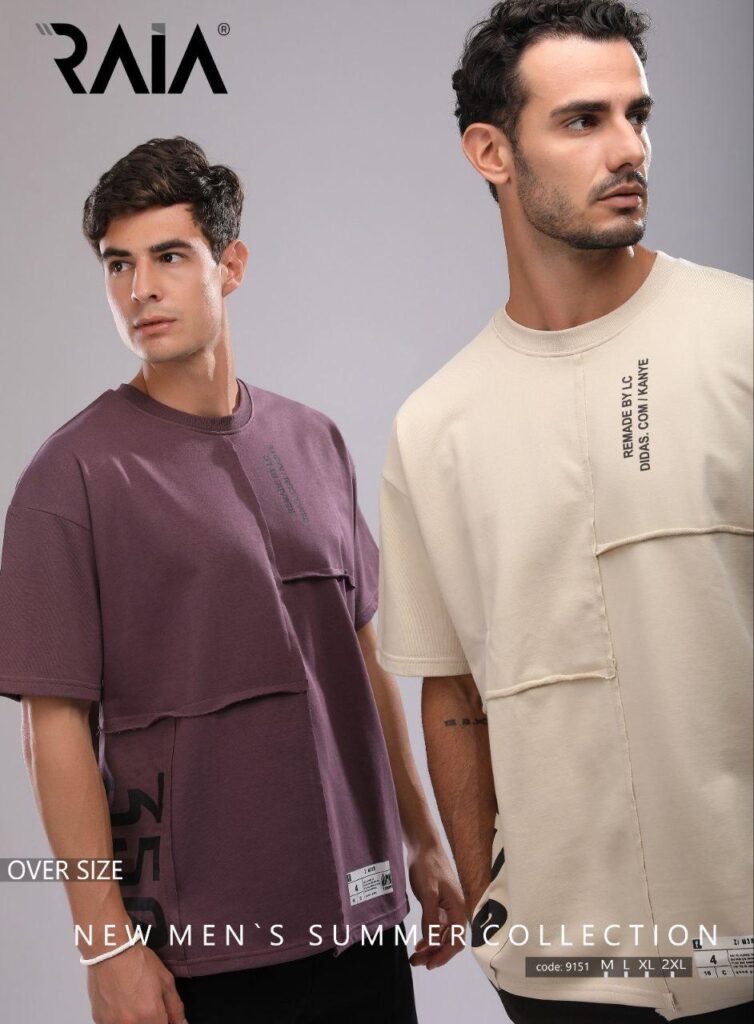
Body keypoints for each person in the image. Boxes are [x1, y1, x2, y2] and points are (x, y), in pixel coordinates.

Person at [0, 136, 465, 1024]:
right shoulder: (71, 478)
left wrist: (421, 837)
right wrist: (105, 944)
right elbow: (52, 730)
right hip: (203, 946)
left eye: (170, 257)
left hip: (359, 919)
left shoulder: (314, 440)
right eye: (119, 265)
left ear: (231, 265)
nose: (141, 290)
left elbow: (360, 658)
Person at [375, 2, 753, 1022]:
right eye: (583, 120)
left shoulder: (740, 337)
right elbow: (451, 685)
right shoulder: (434, 426)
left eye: (638, 114)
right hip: (563, 978)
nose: (629, 148)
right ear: (490, 152)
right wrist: (492, 909)